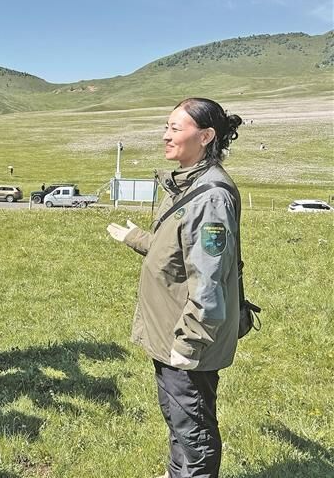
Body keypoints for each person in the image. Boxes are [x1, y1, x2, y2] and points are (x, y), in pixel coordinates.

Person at [106, 98, 243, 478]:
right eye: (166, 127)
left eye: (175, 128)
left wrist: (189, 342)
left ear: (206, 136)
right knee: (178, 416)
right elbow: (177, 250)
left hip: (186, 336)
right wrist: (136, 238)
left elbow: (209, 278)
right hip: (170, 329)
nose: (165, 136)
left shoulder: (210, 197)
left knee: (194, 428)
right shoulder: (188, 184)